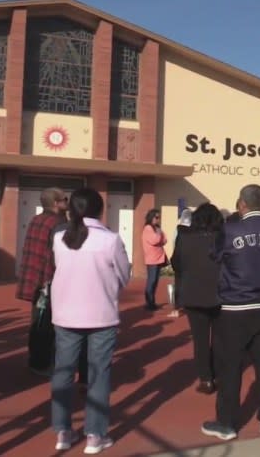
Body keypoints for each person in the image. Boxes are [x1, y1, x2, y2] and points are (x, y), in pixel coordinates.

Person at [201, 185, 260, 441]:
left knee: (230, 366)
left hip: (235, 306)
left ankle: (226, 423)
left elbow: (215, 257)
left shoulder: (228, 230)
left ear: (241, 204)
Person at [50, 188, 131, 454]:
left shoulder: (60, 237)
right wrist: (108, 287)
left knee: (63, 372)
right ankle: (95, 435)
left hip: (65, 314)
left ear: (70, 210)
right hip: (101, 314)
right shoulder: (110, 240)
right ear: (100, 210)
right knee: (99, 375)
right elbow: (123, 274)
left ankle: (63, 431)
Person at [171, 203, 224, 395]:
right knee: (219, 339)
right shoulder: (222, 238)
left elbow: (176, 264)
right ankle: (218, 373)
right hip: (220, 294)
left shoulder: (185, 239)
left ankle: (206, 378)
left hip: (194, 293)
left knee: (200, 340)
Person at [16, 187, 69, 375]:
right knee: (51, 324)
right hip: (51, 280)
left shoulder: (35, 220)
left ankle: (36, 361)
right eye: (65, 199)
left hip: (36, 280)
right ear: (56, 203)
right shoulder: (59, 223)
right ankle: (45, 363)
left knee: (38, 321)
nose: (67, 202)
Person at [168, 209, 193, 318]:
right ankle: (189, 307)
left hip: (179, 261)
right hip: (189, 262)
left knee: (178, 284)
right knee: (189, 284)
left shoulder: (178, 230)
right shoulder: (194, 230)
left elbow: (174, 244)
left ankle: (177, 309)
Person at [141, 209, 167, 311]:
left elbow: (165, 239)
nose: (158, 220)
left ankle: (152, 301)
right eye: (156, 217)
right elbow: (154, 240)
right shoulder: (148, 228)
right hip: (152, 259)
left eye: (159, 217)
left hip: (158, 258)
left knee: (155, 281)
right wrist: (159, 236)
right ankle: (149, 303)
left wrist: (160, 237)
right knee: (151, 281)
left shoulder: (157, 228)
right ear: (151, 217)